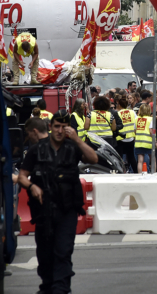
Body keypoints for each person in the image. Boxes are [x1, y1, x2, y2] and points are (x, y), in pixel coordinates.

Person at [18, 110, 98, 294]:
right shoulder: (36, 149)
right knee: (45, 253)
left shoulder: (72, 147)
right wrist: (31, 187)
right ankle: (47, 286)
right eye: (56, 127)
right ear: (50, 127)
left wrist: (77, 139)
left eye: (64, 127)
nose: (60, 131)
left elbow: (93, 158)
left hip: (67, 210)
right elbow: (22, 176)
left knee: (63, 250)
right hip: (43, 210)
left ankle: (60, 289)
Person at [115, 97, 138, 172]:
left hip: (120, 138)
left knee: (120, 158)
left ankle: (120, 172)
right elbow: (136, 123)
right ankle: (136, 172)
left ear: (119, 105)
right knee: (131, 157)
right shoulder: (132, 112)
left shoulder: (118, 113)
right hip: (130, 138)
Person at [134, 104, 154, 173]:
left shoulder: (136, 119)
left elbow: (135, 131)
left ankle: (140, 175)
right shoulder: (150, 119)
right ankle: (154, 174)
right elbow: (151, 131)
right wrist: (155, 142)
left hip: (139, 142)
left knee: (140, 161)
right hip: (148, 143)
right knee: (153, 159)